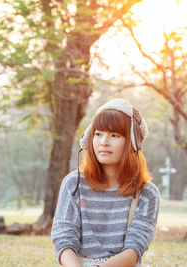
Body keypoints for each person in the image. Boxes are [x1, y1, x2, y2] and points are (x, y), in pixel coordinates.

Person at [51, 98, 160, 267]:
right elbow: (64, 239)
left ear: (132, 142)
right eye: (98, 134)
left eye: (114, 135)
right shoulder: (73, 184)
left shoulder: (146, 193)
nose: (103, 142)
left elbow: (133, 251)